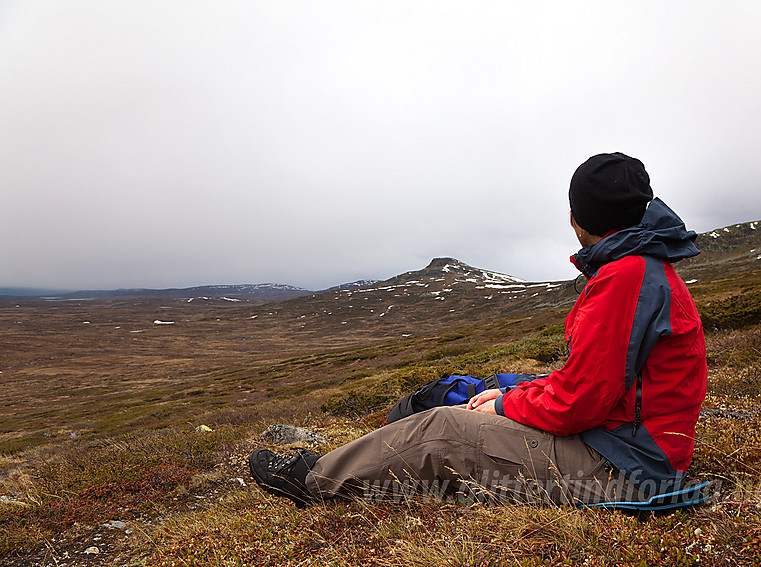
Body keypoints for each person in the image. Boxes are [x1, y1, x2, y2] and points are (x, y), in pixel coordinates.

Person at [249, 152, 708, 507]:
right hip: (626, 450)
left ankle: (315, 481)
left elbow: (580, 403)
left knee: (442, 428)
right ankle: (360, 464)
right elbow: (594, 383)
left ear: (577, 219)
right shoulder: (642, 270)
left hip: (624, 472)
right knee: (472, 402)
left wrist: (509, 405)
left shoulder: (626, 277)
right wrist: (510, 398)